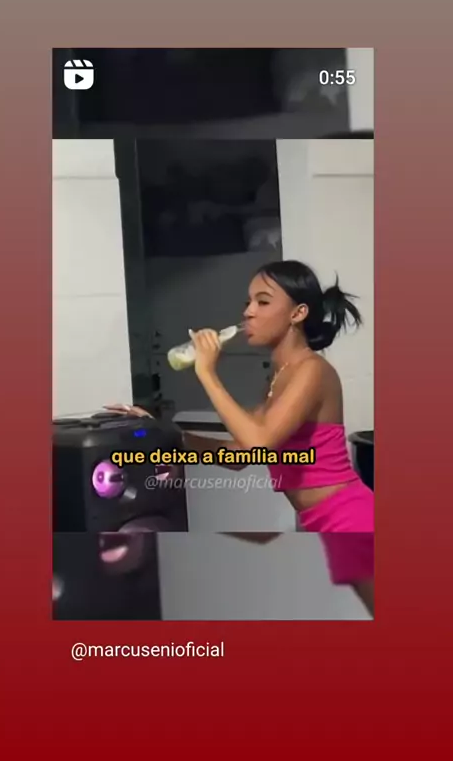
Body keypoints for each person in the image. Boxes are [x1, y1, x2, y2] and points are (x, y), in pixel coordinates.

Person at [106, 260, 374, 617]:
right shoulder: (278, 378)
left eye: (263, 302)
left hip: (350, 521)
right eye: (248, 302)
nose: (248, 311)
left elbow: (258, 444)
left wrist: (207, 373)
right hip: (321, 521)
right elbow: (239, 457)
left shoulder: (312, 370)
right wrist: (163, 431)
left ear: (298, 313)